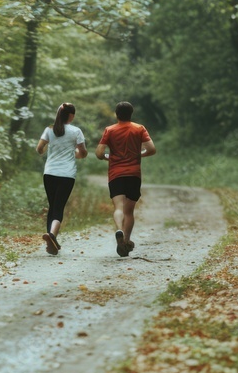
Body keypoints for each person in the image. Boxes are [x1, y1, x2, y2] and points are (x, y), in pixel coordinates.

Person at [95, 101, 155, 257]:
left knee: (119, 208)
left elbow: (99, 153)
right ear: (131, 114)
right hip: (134, 174)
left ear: (116, 114)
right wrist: (138, 154)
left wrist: (108, 157)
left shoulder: (110, 130)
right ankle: (126, 240)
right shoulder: (139, 129)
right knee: (129, 211)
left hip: (116, 174)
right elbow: (151, 149)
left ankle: (119, 230)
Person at [36, 103, 88, 255]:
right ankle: (52, 235)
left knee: (52, 206)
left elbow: (39, 149)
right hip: (66, 174)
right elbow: (83, 153)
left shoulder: (49, 130)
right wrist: (75, 154)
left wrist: (50, 149)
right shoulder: (76, 131)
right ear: (71, 116)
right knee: (59, 207)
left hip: (49, 173)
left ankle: (50, 241)